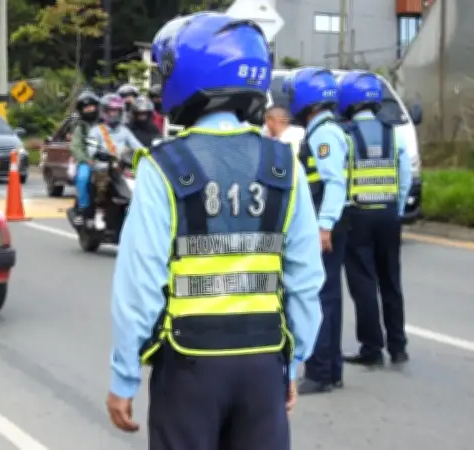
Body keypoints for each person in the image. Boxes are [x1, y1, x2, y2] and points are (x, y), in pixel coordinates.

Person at [106, 12, 325, 448]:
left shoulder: (163, 167)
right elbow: (305, 281)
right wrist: (292, 363)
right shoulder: (285, 167)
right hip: (263, 365)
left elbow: (140, 286)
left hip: (189, 369)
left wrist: (124, 377)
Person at [284, 67, 352, 395]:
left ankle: (319, 371)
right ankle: (331, 369)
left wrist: (324, 226)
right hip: (332, 222)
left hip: (326, 225)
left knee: (319, 295)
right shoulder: (326, 129)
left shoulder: (323, 133)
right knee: (330, 296)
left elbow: (334, 182)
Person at [339, 71, 412, 367]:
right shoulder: (394, 133)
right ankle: (398, 347)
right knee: (391, 281)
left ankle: (371, 348)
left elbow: (339, 179)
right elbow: (404, 176)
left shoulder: (344, 136)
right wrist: (397, 208)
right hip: (389, 215)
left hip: (358, 216)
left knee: (364, 283)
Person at [78, 93, 143, 227]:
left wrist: (148, 153)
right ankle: (99, 212)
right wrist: (97, 154)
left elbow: (138, 147)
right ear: (105, 112)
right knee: (102, 182)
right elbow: (90, 149)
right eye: (111, 111)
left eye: (117, 111)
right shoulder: (96, 131)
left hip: (121, 167)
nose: (114, 114)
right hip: (102, 167)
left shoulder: (124, 131)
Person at [70, 91, 101, 225]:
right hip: (87, 161)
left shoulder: (104, 124)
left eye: (91, 106)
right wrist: (86, 159)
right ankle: (83, 209)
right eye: (85, 107)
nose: (89, 109)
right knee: (82, 178)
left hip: (106, 161)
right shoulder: (80, 127)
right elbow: (76, 146)